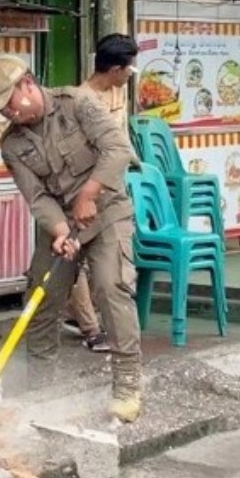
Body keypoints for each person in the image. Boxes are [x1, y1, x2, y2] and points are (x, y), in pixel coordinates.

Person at [0, 54, 142, 423]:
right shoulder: (12, 145)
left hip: (106, 213)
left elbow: (119, 151)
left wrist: (88, 195)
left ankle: (127, 383)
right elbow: (36, 197)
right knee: (42, 299)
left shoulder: (78, 104)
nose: (7, 113)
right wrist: (59, 231)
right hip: (60, 225)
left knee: (110, 287)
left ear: (27, 84)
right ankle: (42, 389)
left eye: (8, 102)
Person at [62, 33, 140, 353]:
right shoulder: (83, 101)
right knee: (71, 261)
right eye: (128, 69)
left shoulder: (114, 96)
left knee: (110, 270)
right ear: (114, 69)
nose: (130, 75)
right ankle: (90, 327)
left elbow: (118, 144)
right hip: (81, 196)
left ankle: (96, 325)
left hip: (109, 196)